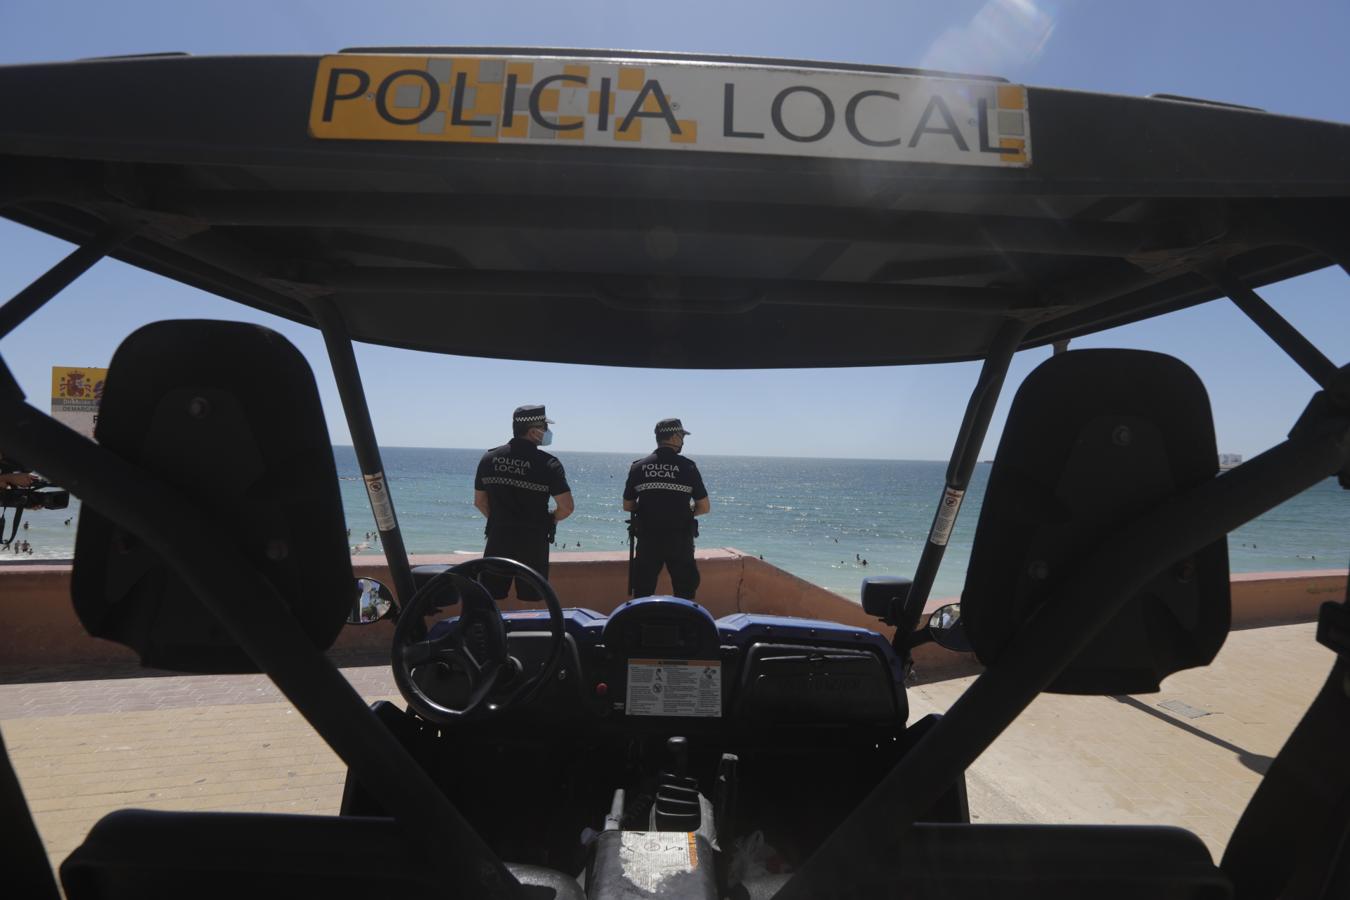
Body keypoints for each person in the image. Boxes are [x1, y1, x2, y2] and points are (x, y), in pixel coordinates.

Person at [474, 404, 574, 600]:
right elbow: (567, 507)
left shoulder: (489, 458)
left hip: (498, 538)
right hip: (533, 542)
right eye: (545, 428)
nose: (547, 432)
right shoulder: (549, 464)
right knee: (533, 599)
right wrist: (550, 519)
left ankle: (494, 630)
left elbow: (479, 502)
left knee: (490, 596)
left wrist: (500, 519)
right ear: (534, 431)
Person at [623, 418, 710, 600]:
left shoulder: (638, 467)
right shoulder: (688, 467)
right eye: (682, 436)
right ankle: (684, 627)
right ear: (675, 436)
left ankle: (640, 626)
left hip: (648, 540)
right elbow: (704, 507)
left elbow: (628, 505)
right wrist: (686, 511)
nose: (683, 441)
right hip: (680, 540)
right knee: (685, 592)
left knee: (643, 592)